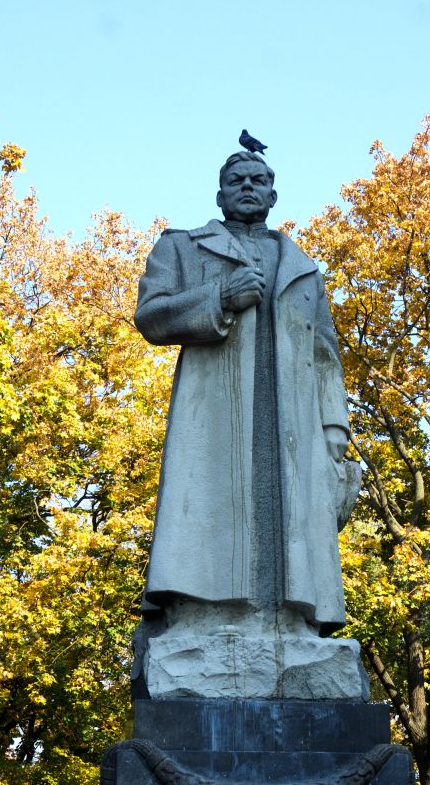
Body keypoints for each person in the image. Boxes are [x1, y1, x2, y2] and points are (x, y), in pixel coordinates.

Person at [134, 151, 358, 641]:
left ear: (273, 196)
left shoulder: (303, 268)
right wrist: (220, 297)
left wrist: (334, 427)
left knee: (295, 518)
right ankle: (203, 617)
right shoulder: (182, 248)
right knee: (212, 508)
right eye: (236, 180)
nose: (248, 187)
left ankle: (291, 622)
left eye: (258, 180)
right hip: (215, 415)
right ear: (220, 195)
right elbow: (151, 316)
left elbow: (325, 353)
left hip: (294, 421)